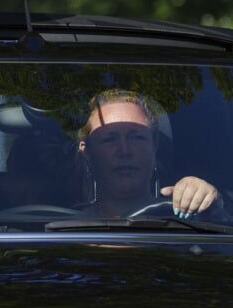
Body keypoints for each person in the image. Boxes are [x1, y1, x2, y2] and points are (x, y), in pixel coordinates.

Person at [77, 90, 220, 219]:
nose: (124, 151)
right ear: (87, 152)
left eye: (136, 138)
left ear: (155, 144)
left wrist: (209, 205)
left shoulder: (189, 226)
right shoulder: (61, 230)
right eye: (109, 139)